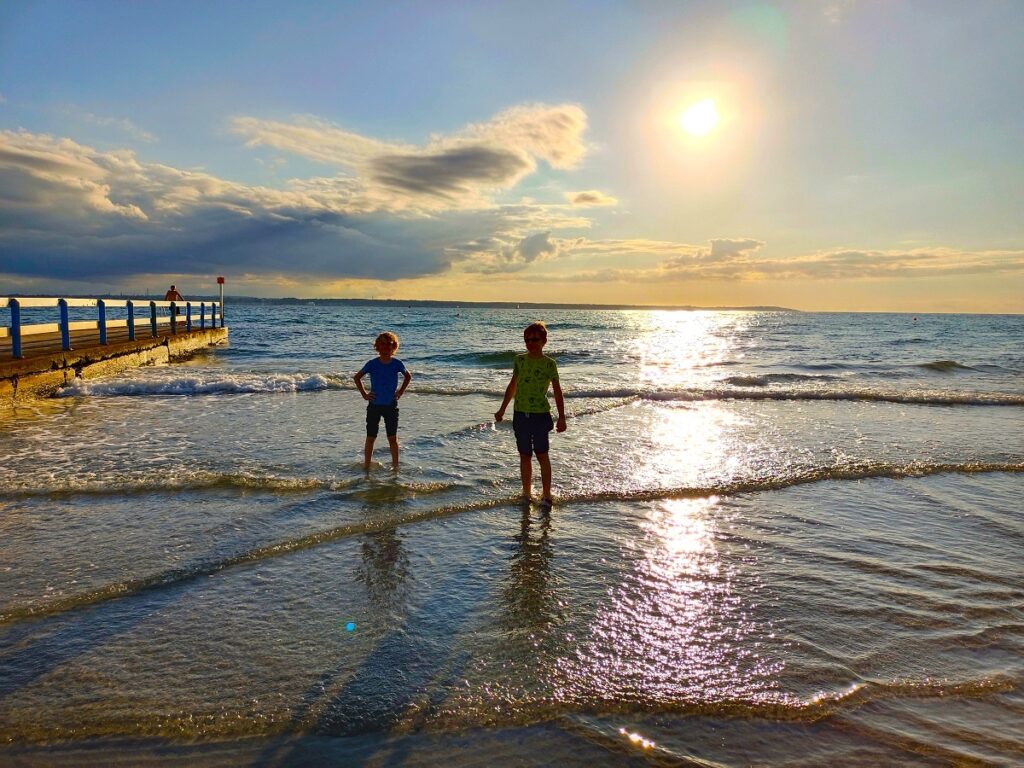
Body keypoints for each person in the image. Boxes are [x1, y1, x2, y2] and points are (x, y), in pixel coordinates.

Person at [494, 322, 567, 507]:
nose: (530, 343)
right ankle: (527, 493)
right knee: (524, 455)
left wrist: (562, 417)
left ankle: (546, 494)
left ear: (544, 341)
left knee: (542, 454)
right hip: (520, 414)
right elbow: (512, 386)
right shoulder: (520, 360)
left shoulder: (550, 364)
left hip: (540, 416)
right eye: (527, 340)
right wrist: (502, 409)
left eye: (534, 339)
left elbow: (558, 392)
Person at [354, 332, 412, 470]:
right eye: (382, 345)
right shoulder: (372, 364)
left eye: (389, 345)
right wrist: (364, 394)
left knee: (392, 437)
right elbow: (357, 377)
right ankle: (366, 466)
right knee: (370, 437)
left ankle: (395, 466)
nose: (385, 348)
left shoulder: (397, 363)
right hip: (374, 405)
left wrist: (400, 392)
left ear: (394, 347)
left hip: (391, 405)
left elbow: (408, 377)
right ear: (377, 347)